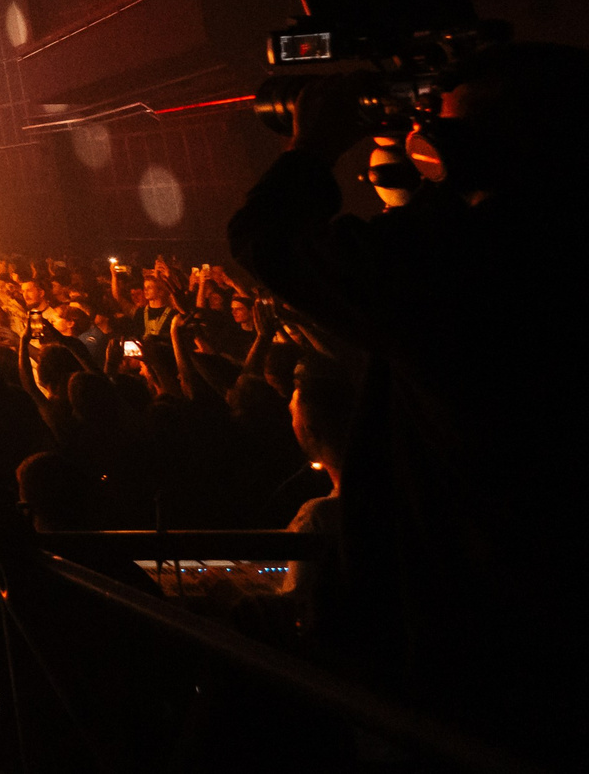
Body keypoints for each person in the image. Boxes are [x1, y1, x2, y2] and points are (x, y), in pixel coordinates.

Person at [228, 42, 589, 759]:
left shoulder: (465, 267)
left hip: (484, 625)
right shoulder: (550, 237)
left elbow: (265, 237)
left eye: (443, 129)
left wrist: (314, 147)